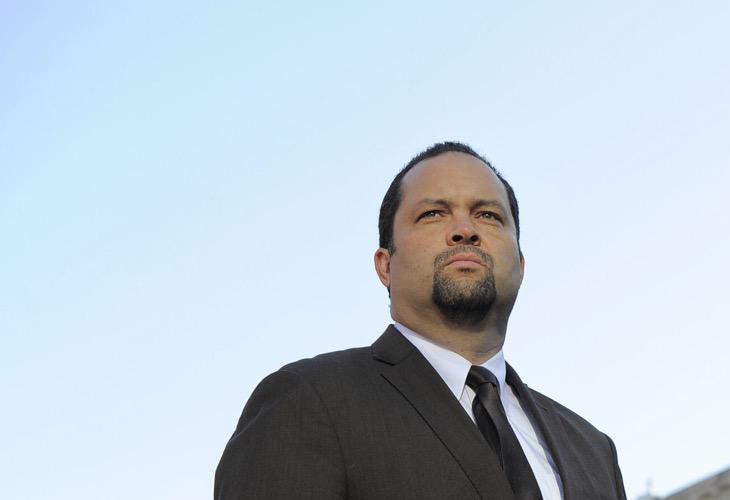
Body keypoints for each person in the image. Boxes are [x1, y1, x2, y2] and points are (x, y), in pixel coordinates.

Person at [215, 142, 627, 500]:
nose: (464, 230)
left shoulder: (593, 450)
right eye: (433, 213)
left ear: (519, 264)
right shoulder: (309, 400)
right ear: (385, 265)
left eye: (488, 215)